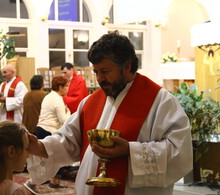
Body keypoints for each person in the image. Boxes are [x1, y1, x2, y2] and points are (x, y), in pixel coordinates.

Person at [26, 32, 193, 195]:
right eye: (96, 72)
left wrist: (129, 150)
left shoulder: (160, 102)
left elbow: (180, 152)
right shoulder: (91, 102)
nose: (100, 78)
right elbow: (69, 139)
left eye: (105, 71)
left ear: (127, 66)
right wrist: (39, 146)